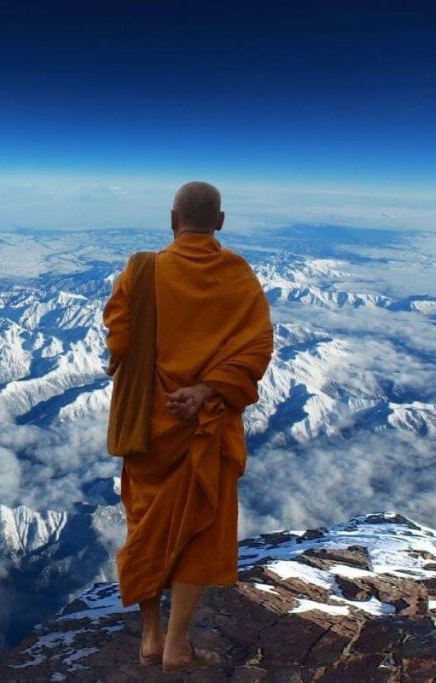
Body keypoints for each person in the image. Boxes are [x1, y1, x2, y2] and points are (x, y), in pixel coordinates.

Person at [102, 181, 274, 673]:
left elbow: (119, 338)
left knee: (145, 526)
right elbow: (257, 346)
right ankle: (178, 643)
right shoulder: (238, 275)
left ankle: (151, 635)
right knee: (198, 529)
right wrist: (205, 391)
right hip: (205, 424)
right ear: (220, 221)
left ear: (172, 219)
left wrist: (123, 363)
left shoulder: (143, 271)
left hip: (148, 428)